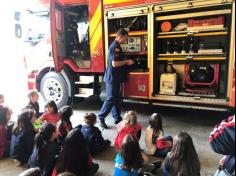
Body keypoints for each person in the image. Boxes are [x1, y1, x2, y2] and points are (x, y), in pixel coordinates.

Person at [98, 28, 135, 129]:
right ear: (120, 36)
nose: (125, 41)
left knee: (115, 98)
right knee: (110, 98)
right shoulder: (115, 47)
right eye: (125, 39)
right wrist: (127, 62)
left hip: (115, 77)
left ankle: (117, 118)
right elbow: (114, 63)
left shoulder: (117, 46)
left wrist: (125, 60)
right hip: (112, 77)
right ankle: (100, 117)